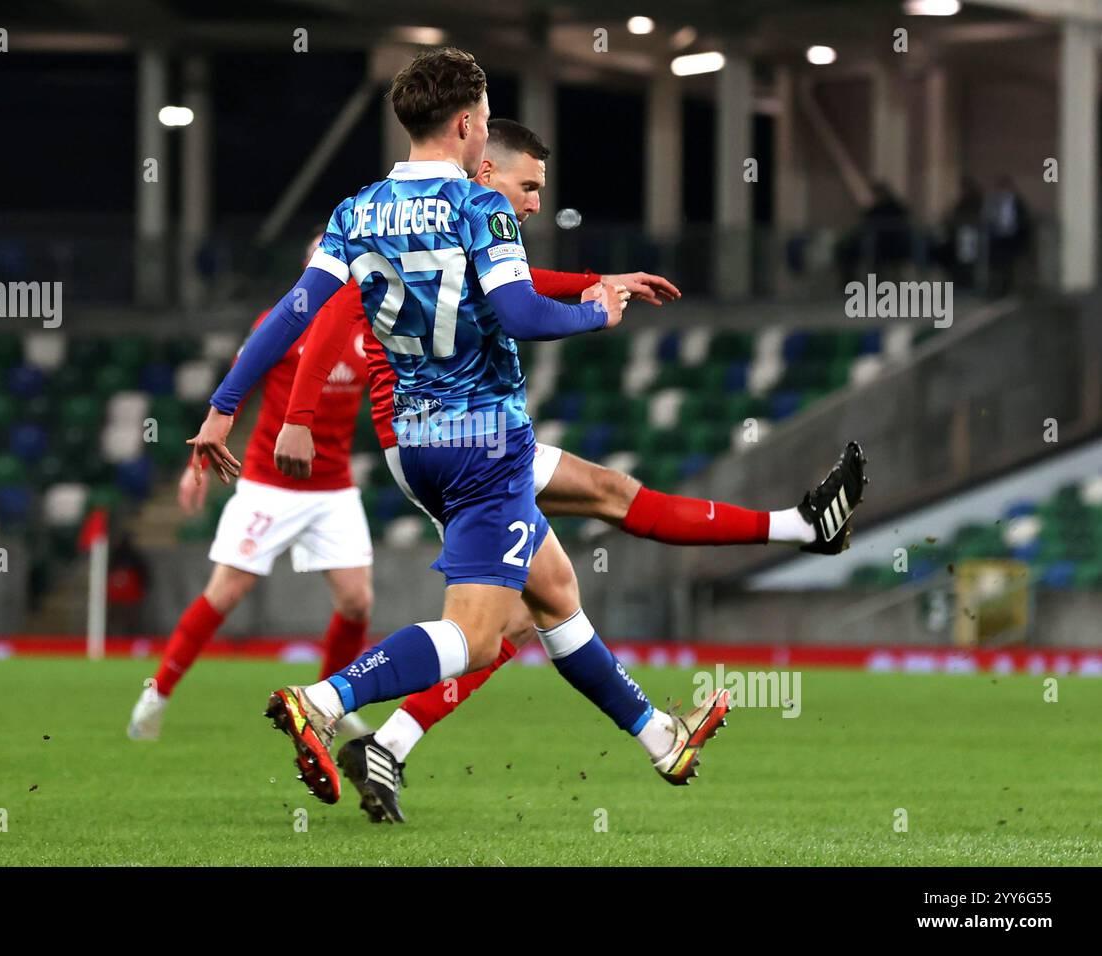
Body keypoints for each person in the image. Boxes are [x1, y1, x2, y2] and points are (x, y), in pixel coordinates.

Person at [191, 48, 841, 811]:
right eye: (487, 117)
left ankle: (662, 737)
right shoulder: (478, 206)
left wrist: (225, 405)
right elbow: (520, 313)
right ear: (467, 124)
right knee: (472, 638)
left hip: (414, 443)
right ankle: (327, 703)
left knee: (555, 588)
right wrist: (594, 313)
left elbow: (294, 313)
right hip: (486, 446)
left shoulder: (356, 210)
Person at [126, 227, 373, 742]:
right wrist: (192, 466)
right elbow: (234, 392)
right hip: (268, 485)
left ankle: (330, 701)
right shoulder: (279, 324)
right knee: (226, 592)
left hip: (333, 489)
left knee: (357, 602)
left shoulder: (371, 328)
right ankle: (159, 691)